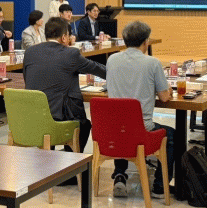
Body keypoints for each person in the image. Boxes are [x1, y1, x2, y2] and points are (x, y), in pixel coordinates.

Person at [106, 21, 172, 198]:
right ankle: (160, 186)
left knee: (123, 124)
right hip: (142, 129)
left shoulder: (112, 60)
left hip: (114, 129)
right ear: (146, 42)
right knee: (173, 136)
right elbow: (164, 97)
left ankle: (120, 175)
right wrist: (169, 89)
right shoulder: (152, 63)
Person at [23, 17, 106, 154]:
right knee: (84, 125)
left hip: (32, 117)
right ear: (63, 37)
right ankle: (70, 162)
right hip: (59, 118)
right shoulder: (70, 53)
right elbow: (96, 68)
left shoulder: (30, 52)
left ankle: (50, 157)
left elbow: (27, 79)